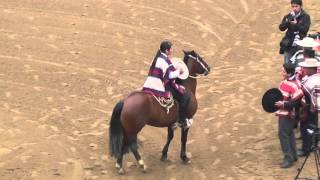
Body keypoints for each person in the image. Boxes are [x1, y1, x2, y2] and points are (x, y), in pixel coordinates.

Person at [143, 40, 190, 128]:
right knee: (184, 96)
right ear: (166, 51)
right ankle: (181, 121)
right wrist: (179, 71)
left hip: (149, 83)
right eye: (171, 49)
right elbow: (170, 76)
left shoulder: (156, 58)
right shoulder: (165, 61)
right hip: (159, 86)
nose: (172, 50)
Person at [275, 63, 304, 168]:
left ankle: (288, 158)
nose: (281, 73)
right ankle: (294, 155)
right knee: (289, 134)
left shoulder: (295, 85)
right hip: (284, 113)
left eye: (283, 71)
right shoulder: (285, 82)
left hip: (288, 114)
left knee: (283, 135)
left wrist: (284, 104)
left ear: (289, 73)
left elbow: (297, 103)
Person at [297, 58, 320, 157]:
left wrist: (311, 108)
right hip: (313, 109)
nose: (304, 69)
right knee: (313, 126)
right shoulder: (317, 77)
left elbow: (311, 96)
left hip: (309, 109)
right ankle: (312, 146)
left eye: (306, 68)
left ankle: (306, 149)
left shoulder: (309, 81)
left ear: (311, 69)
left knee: (305, 128)